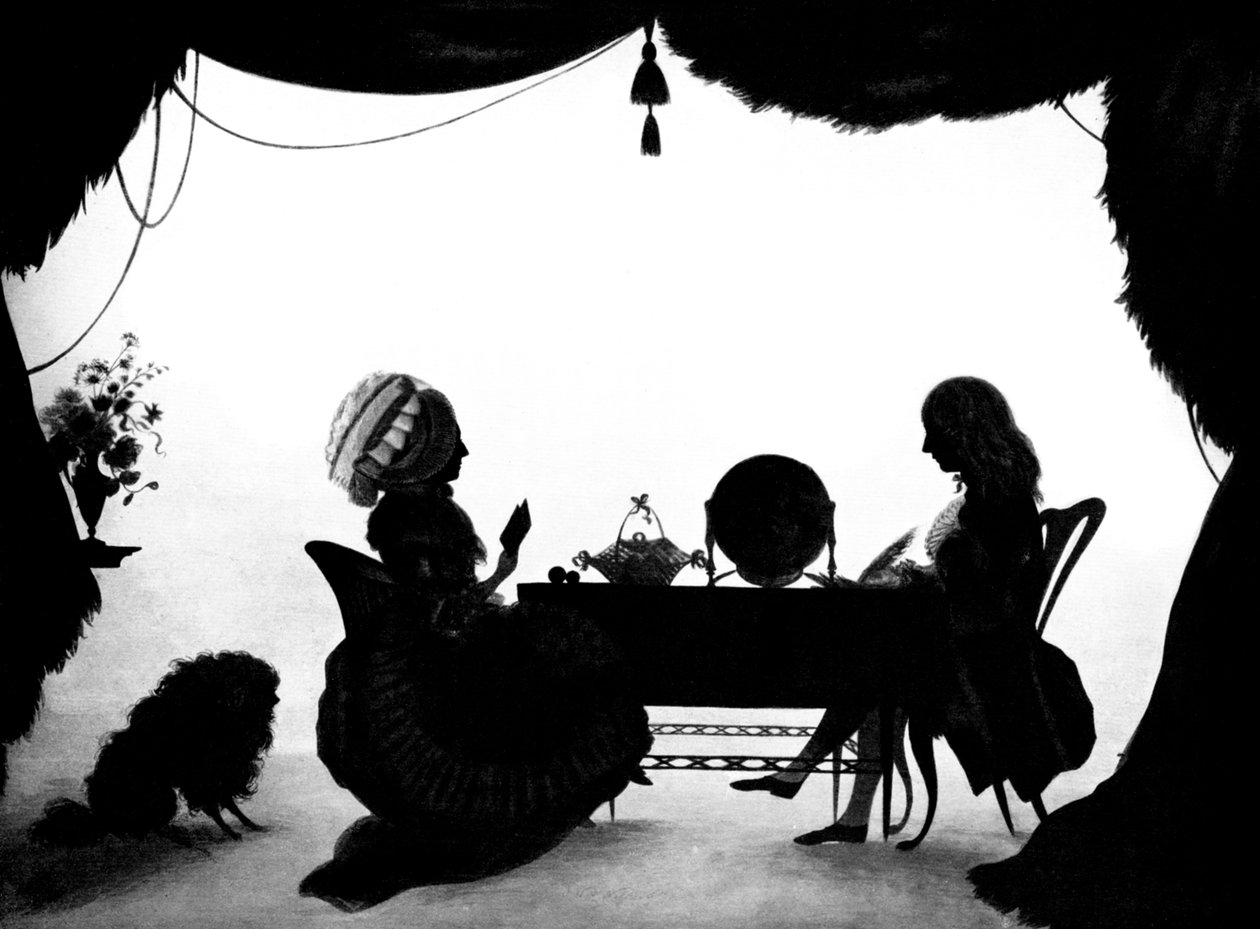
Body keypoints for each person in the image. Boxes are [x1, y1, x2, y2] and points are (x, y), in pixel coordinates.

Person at [302, 372, 652, 911]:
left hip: (441, 645)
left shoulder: (424, 510)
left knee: (555, 643)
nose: (463, 451)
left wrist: (501, 575)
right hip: (428, 668)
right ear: (422, 453)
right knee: (559, 658)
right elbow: (437, 612)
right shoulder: (413, 522)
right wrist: (494, 585)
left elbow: (449, 602)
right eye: (452, 442)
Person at [730, 376, 1094, 845]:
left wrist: (908, 591)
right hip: (973, 648)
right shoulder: (991, 497)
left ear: (965, 433)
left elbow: (985, 605)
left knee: (874, 671)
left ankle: (803, 775)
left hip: (988, 667)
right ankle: (832, 802)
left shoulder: (998, 504)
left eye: (934, 434)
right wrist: (905, 588)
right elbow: (965, 587)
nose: (926, 447)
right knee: (876, 668)